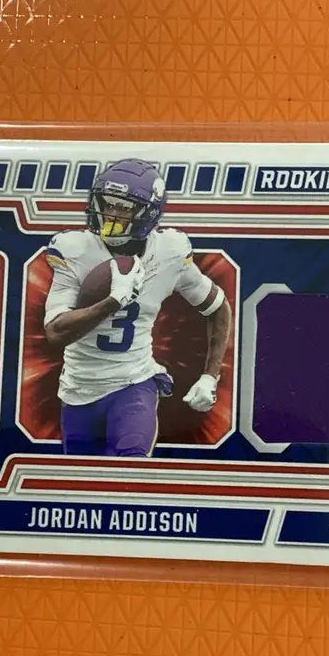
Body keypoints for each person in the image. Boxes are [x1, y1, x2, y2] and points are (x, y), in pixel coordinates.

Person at [43, 158, 232, 456]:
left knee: (131, 467)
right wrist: (112, 302)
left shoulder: (170, 252)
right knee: (82, 478)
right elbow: (56, 332)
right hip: (78, 389)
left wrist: (210, 375)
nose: (110, 214)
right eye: (107, 204)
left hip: (133, 383)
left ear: (149, 212)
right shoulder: (74, 250)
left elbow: (218, 307)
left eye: (123, 207)